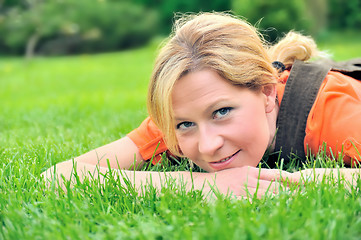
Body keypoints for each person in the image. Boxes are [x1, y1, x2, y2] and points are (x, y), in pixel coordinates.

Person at [42, 12, 361, 198]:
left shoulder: (333, 113)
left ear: (266, 93)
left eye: (222, 112)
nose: (207, 146)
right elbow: (58, 178)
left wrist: (302, 182)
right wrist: (202, 184)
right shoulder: (180, 114)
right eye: (185, 125)